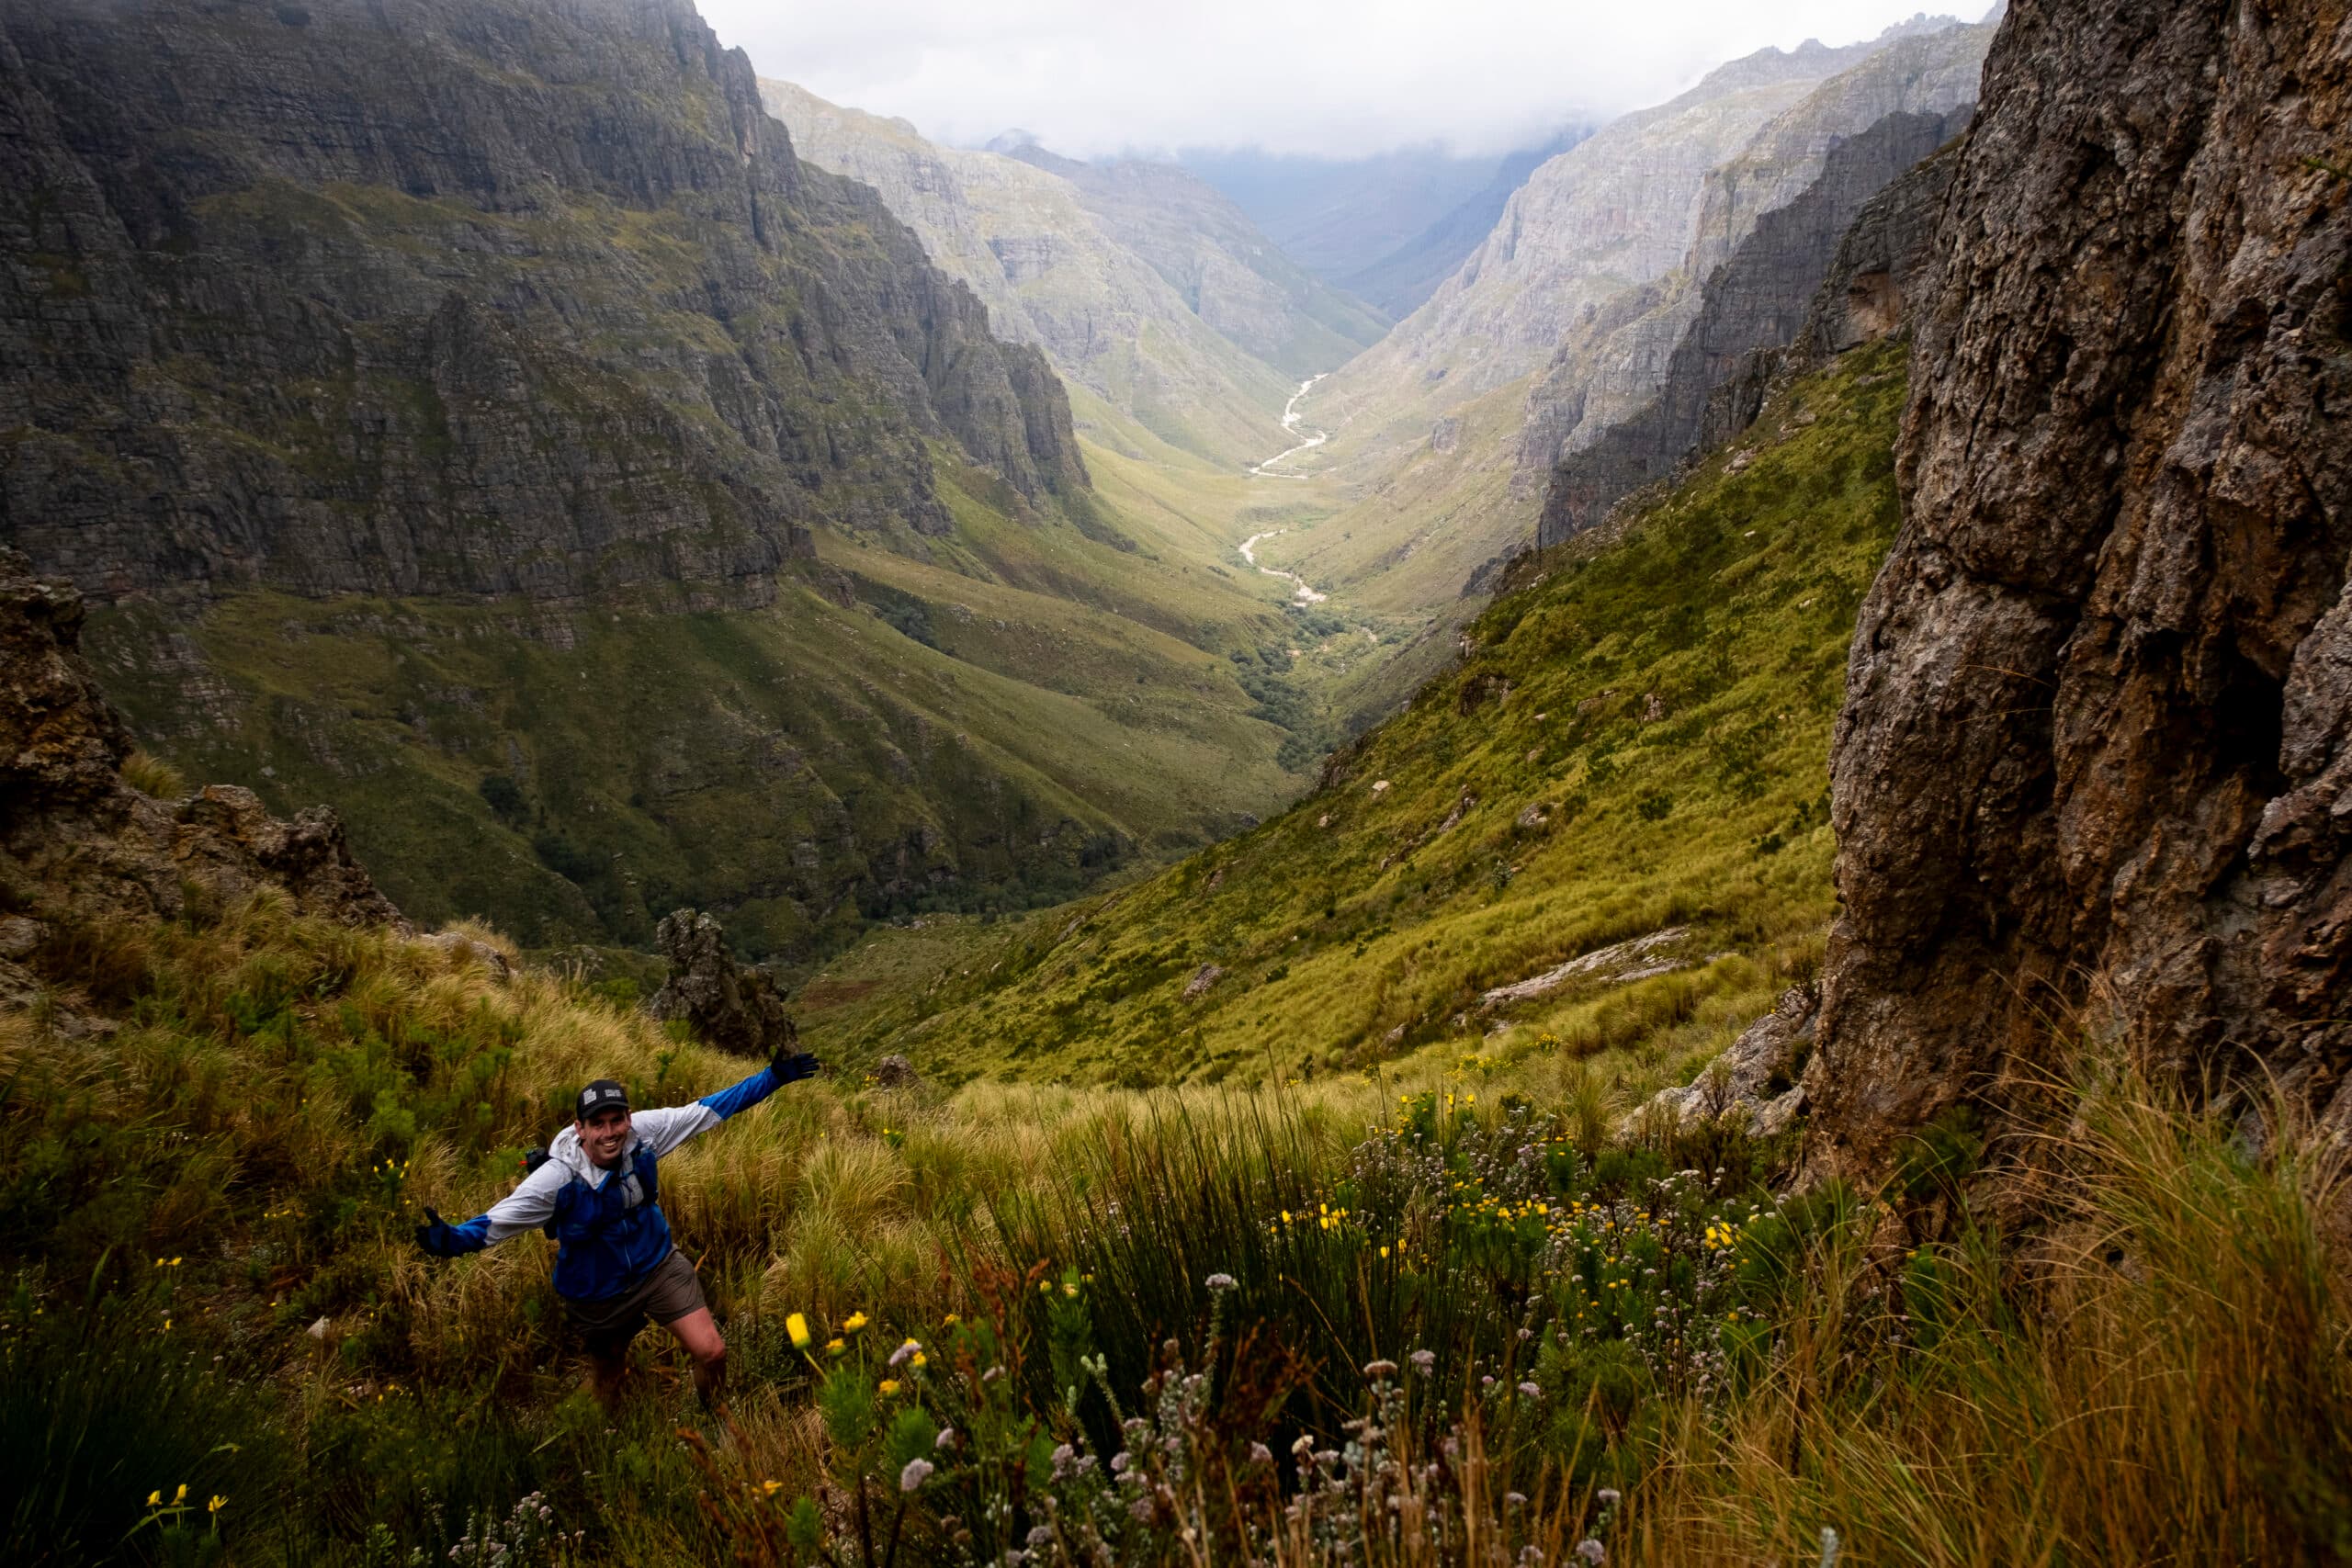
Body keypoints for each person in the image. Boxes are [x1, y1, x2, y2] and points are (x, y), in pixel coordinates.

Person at [413, 1043, 820, 1411]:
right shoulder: (558, 1178)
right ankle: (596, 1438)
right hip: (596, 1290)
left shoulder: (643, 1134)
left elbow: (708, 1111)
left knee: (712, 1352)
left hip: (657, 1264)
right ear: (580, 1129)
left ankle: (712, 1415)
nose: (609, 1133)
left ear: (628, 1117)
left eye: (616, 1120)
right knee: (609, 1377)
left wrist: (773, 1078)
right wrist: (451, 1240)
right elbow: (499, 1221)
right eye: (598, 1124)